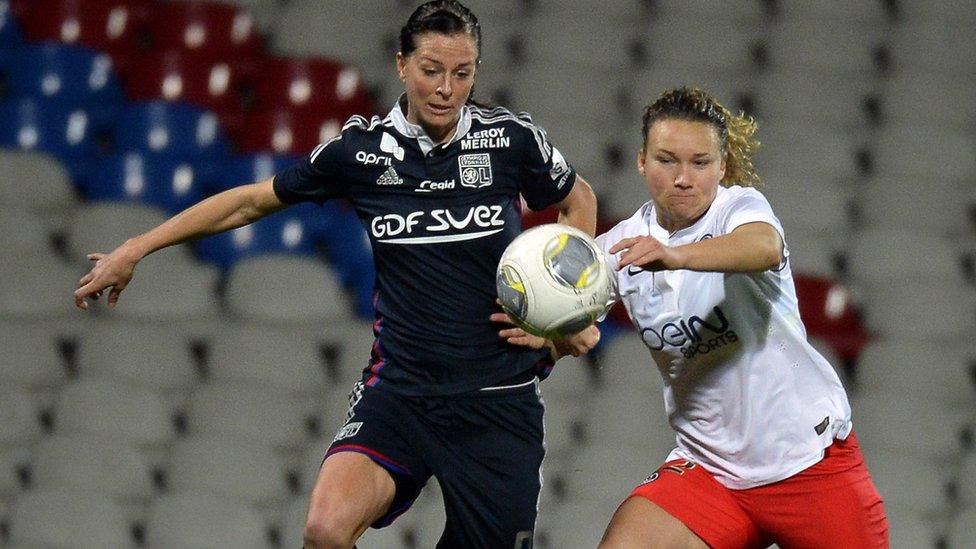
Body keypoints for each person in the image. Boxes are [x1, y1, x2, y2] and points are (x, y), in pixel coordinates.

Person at [74, 1, 600, 547]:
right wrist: (139, 246)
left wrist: (571, 310)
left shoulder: (511, 140)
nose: (447, 88)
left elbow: (577, 199)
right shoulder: (361, 153)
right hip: (402, 392)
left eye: (462, 73)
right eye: (431, 70)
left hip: (498, 398)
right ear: (401, 65)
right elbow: (251, 204)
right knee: (325, 530)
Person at [587, 87, 887, 547]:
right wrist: (554, 340)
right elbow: (568, 313)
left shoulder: (740, 208)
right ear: (641, 161)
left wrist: (678, 254)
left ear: (722, 167)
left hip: (809, 463)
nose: (684, 178)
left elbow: (763, 247)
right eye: (667, 160)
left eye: (700, 162)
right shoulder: (620, 248)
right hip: (710, 472)